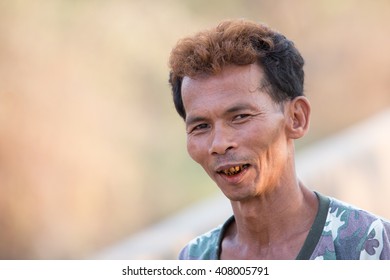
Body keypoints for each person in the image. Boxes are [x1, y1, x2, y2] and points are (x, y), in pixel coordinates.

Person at [167, 19, 390, 260]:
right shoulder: (194, 259)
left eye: (240, 117)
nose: (219, 144)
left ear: (296, 118)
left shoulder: (369, 245)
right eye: (201, 126)